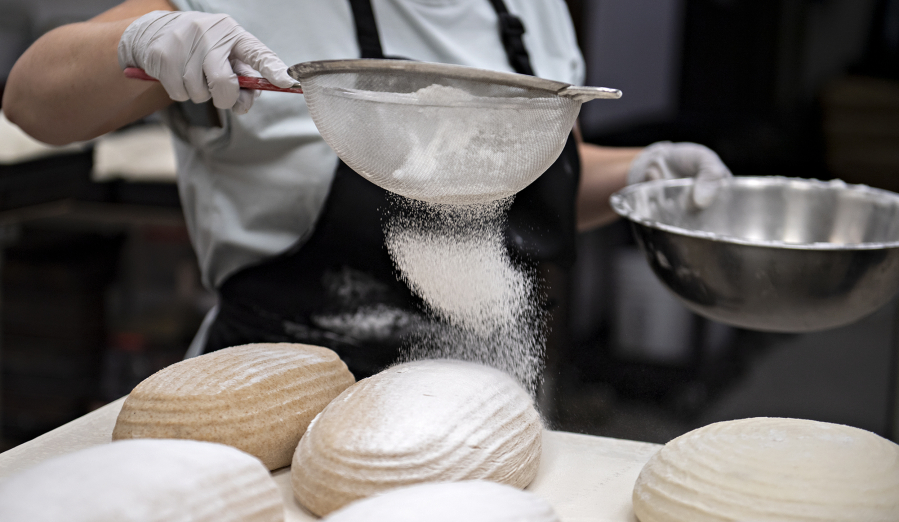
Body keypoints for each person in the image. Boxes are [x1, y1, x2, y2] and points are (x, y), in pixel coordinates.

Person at [3, 0, 731, 378]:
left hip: (484, 404)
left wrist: (643, 174)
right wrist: (143, 41)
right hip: (271, 416)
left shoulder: (529, 8)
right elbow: (34, 96)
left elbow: (532, 187)